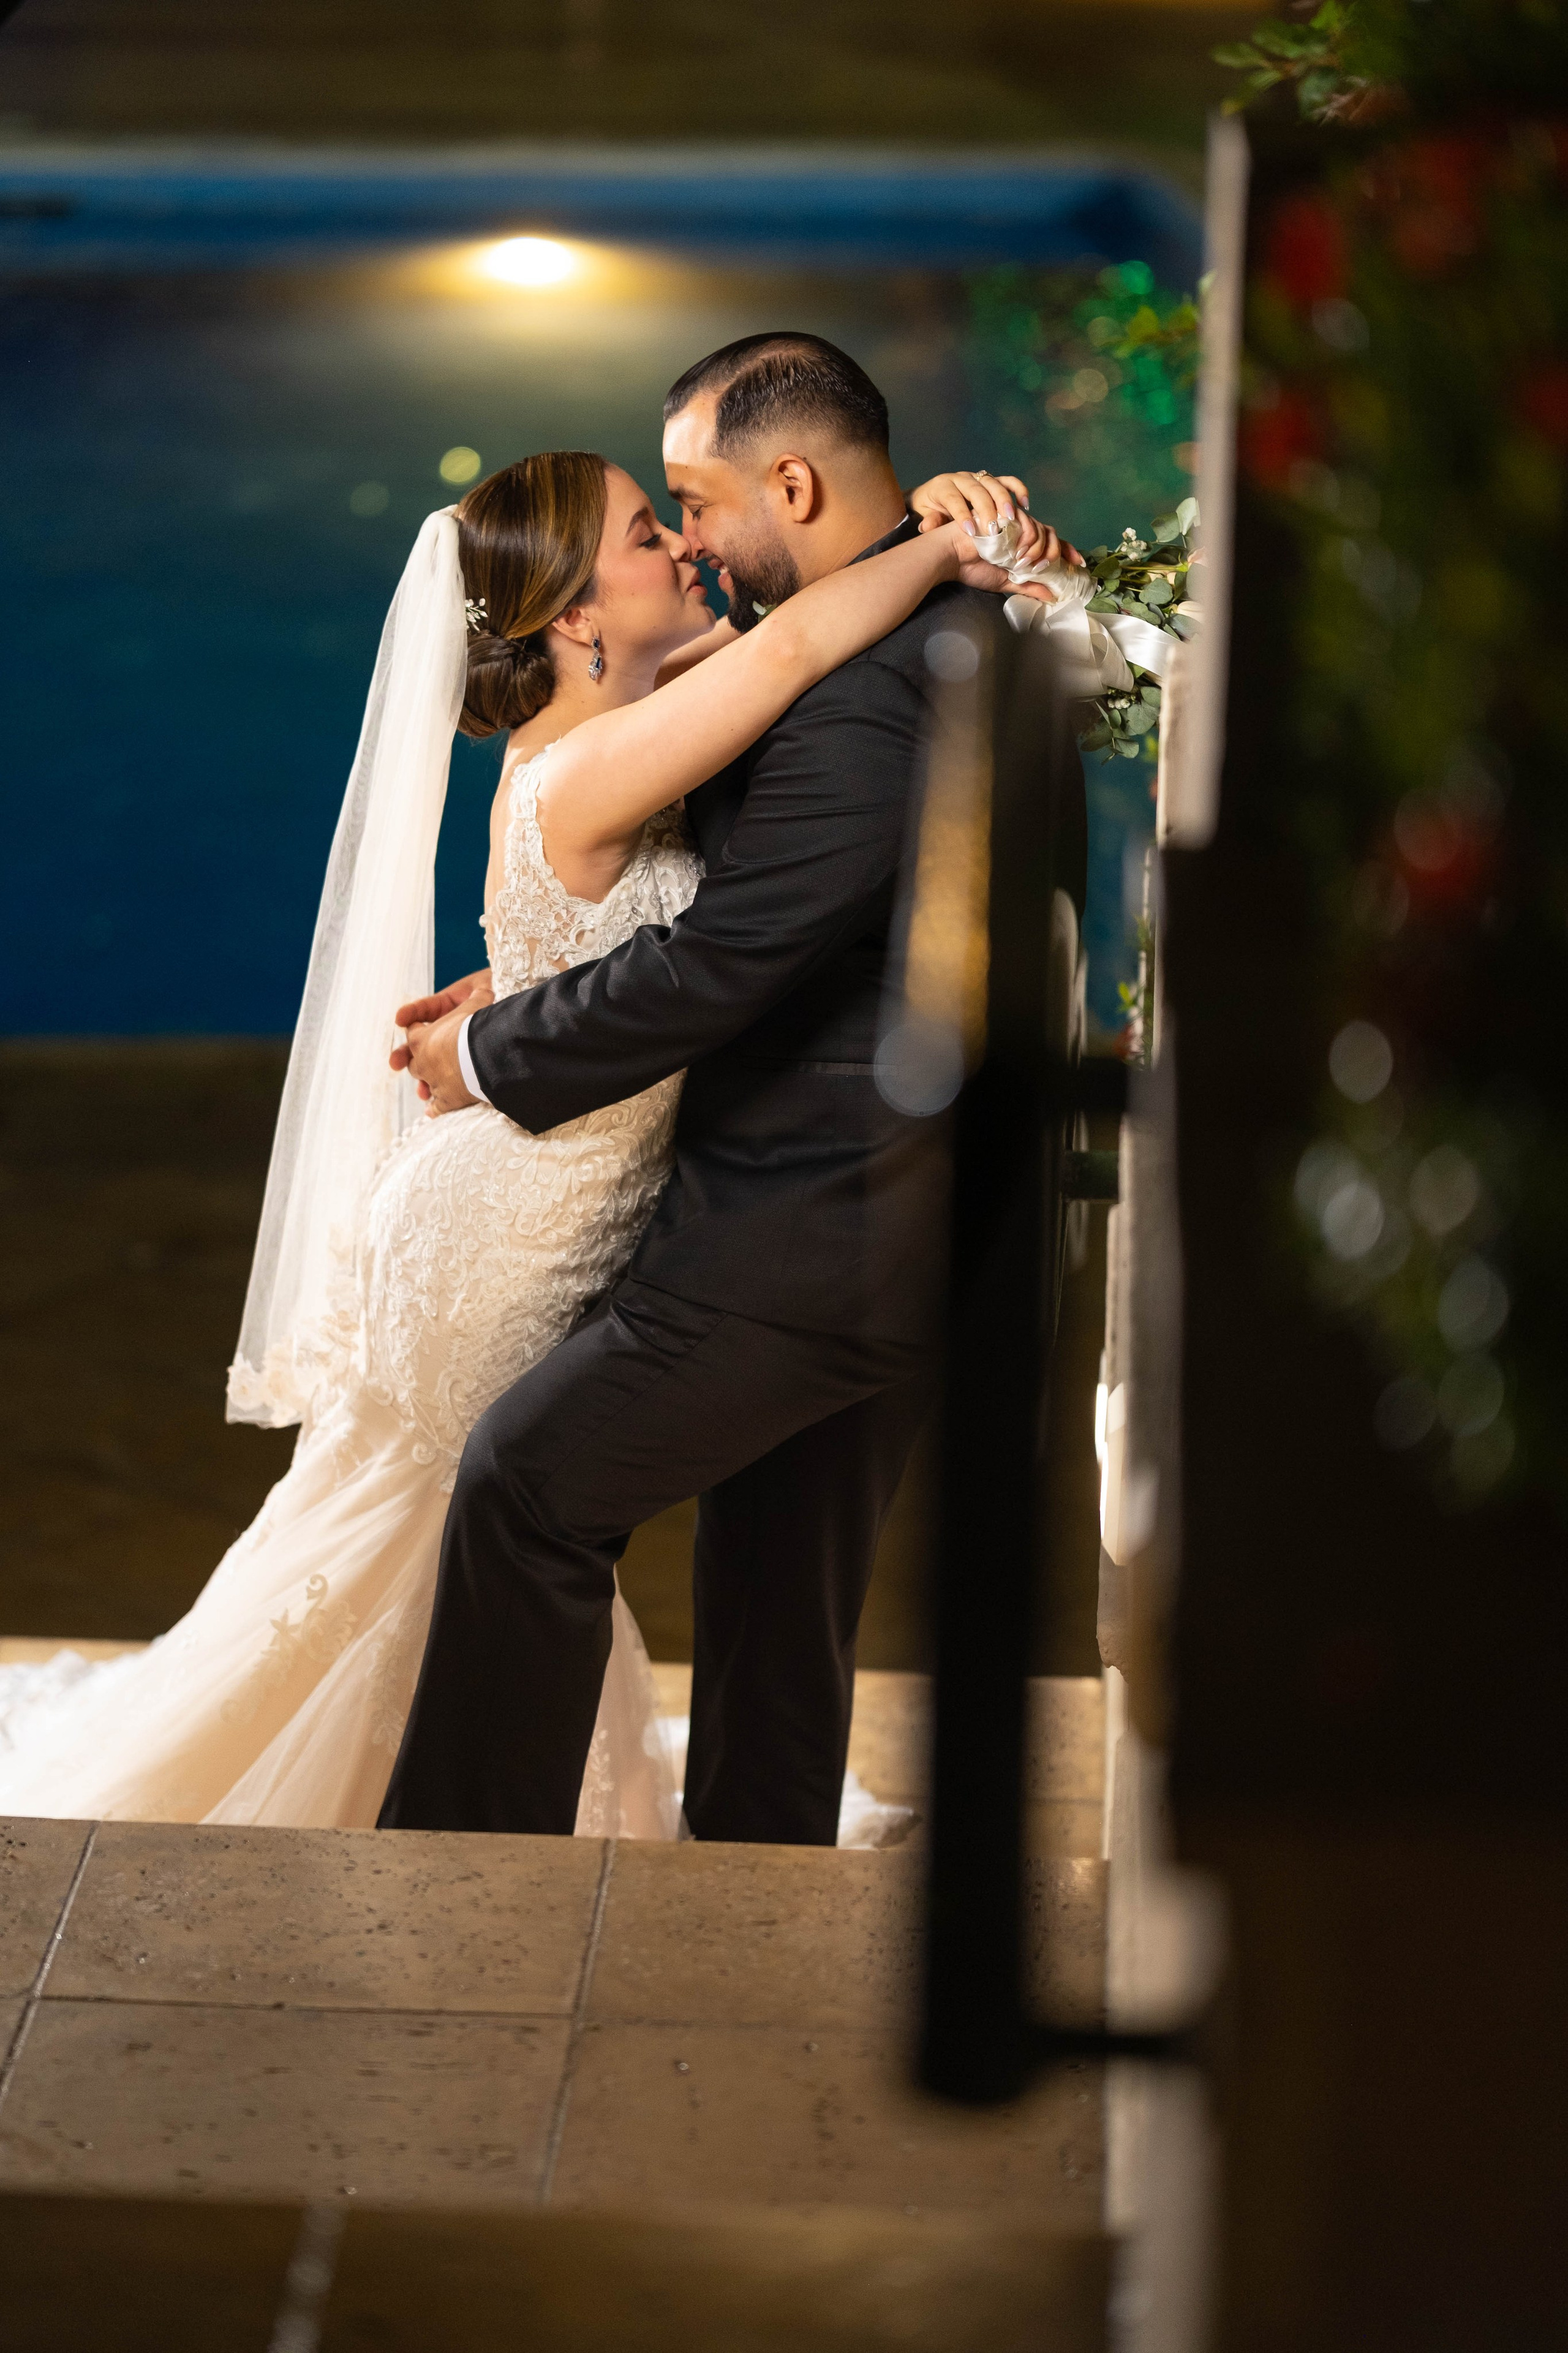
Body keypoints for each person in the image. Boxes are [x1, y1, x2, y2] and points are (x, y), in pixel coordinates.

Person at [0, 409, 1060, 1832]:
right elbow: (801, 651)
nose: (680, 540)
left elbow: (781, 667)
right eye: (645, 529)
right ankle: (444, 1855)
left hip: (552, 1183)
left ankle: (480, 1822)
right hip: (515, 1220)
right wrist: (931, 543)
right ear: (569, 620)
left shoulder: (639, 700)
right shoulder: (601, 753)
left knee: (456, 1529)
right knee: (474, 1515)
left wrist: (931, 528)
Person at [379, 332, 1079, 1846]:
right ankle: (753, 1885)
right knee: (775, 1596)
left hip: (812, 1223)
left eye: (688, 501)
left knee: (526, 1482)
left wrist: (490, 1053)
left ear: (792, 480)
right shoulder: (927, 620)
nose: (687, 537)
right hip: (905, 1213)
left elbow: (724, 958)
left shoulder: (863, 685)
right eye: (659, 520)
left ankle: (456, 1876)